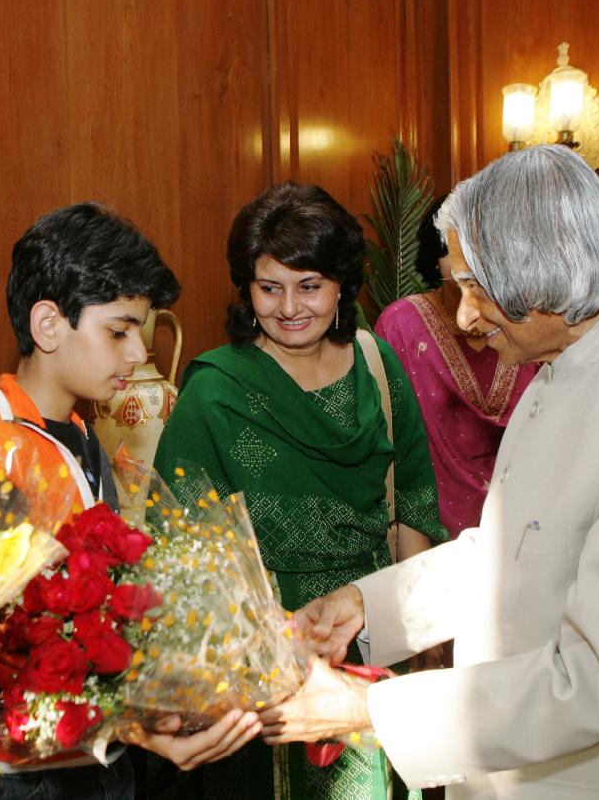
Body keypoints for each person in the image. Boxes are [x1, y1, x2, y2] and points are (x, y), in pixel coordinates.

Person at [266, 145, 599, 798]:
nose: (464, 317)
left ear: (550, 272)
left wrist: (369, 708)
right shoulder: (566, 367)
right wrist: (368, 610)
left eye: (479, 290)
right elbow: (516, 554)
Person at [0, 204, 261, 800]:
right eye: (118, 331)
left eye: (140, 331)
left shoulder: (84, 437)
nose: (137, 353)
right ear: (48, 325)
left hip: (94, 758)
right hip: (16, 776)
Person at [152, 182, 446, 799]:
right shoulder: (215, 390)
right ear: (247, 288)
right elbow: (180, 548)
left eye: (309, 286)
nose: (289, 307)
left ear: (341, 285)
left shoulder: (377, 366)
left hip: (370, 632)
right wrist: (252, 648)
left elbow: (414, 505)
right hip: (258, 659)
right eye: (270, 287)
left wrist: (414, 632)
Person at [374, 201, 538, 537]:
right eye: (456, 249)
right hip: (423, 525)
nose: (471, 263)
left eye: (483, 250)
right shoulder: (400, 325)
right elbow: (383, 437)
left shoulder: (534, 325)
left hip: (526, 521)